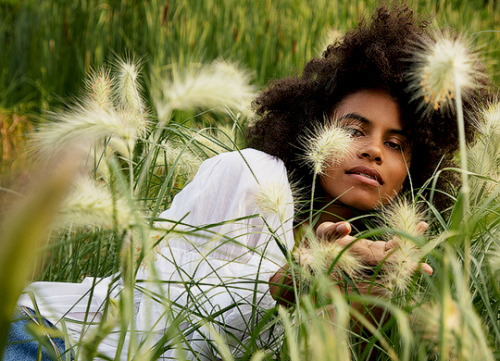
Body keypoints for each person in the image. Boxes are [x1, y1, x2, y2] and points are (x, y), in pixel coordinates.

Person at [6, 4, 492, 361]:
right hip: (46, 340)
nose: (373, 150)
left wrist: (371, 306)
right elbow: (174, 300)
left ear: (416, 168)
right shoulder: (253, 178)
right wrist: (302, 274)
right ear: (311, 128)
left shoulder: (377, 258)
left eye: (396, 144)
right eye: (355, 129)